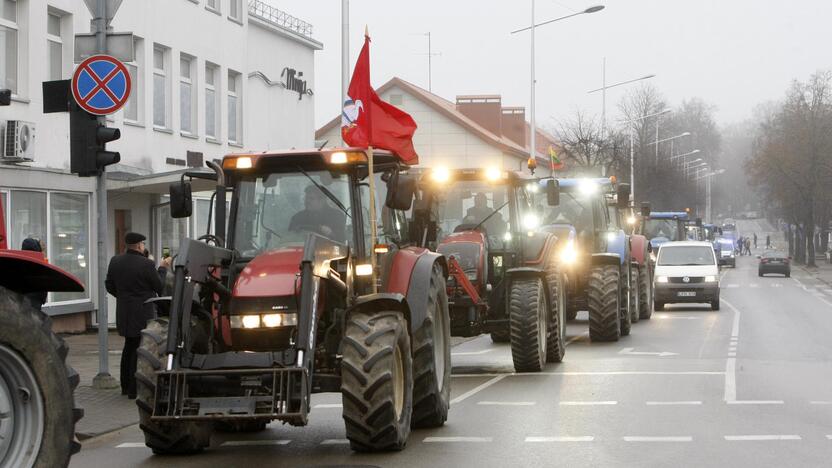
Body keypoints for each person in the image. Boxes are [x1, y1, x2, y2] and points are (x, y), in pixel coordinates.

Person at [105, 232, 170, 399]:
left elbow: (109, 285)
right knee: (138, 349)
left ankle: (125, 387)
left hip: (124, 311)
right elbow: (159, 286)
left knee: (128, 347)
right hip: (142, 311)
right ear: (140, 245)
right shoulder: (147, 264)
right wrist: (162, 267)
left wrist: (124, 297)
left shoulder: (115, 261)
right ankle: (134, 390)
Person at [21, 238, 47, 311]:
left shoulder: (19, 264)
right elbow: (43, 295)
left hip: (20, 308)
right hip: (35, 309)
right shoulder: (40, 267)